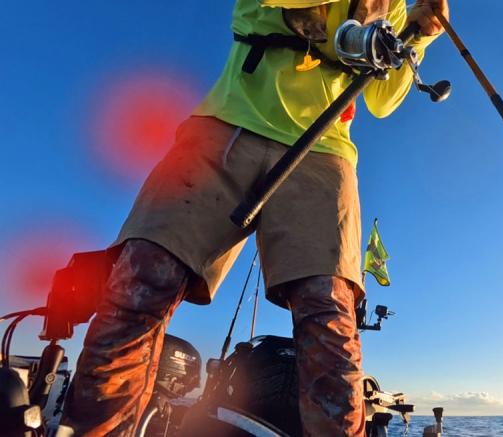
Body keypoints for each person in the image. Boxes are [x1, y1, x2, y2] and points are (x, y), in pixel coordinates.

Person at [59, 0, 449, 435]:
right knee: (142, 284)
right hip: (223, 128)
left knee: (330, 317)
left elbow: (380, 99)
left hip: (324, 151)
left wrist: (417, 30)